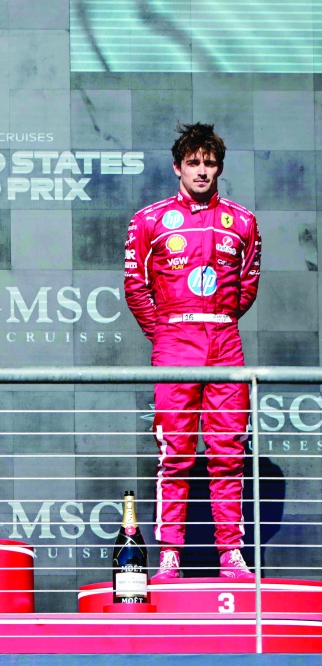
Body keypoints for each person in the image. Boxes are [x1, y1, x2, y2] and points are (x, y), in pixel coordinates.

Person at [124, 122, 261, 581]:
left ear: (219, 166)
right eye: (193, 163)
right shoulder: (151, 220)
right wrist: (166, 334)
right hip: (174, 342)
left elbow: (246, 288)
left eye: (210, 163)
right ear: (177, 167)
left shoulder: (242, 221)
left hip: (225, 340)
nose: (202, 171)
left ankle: (231, 555)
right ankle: (169, 555)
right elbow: (136, 288)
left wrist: (214, 321)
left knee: (228, 451)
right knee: (176, 452)